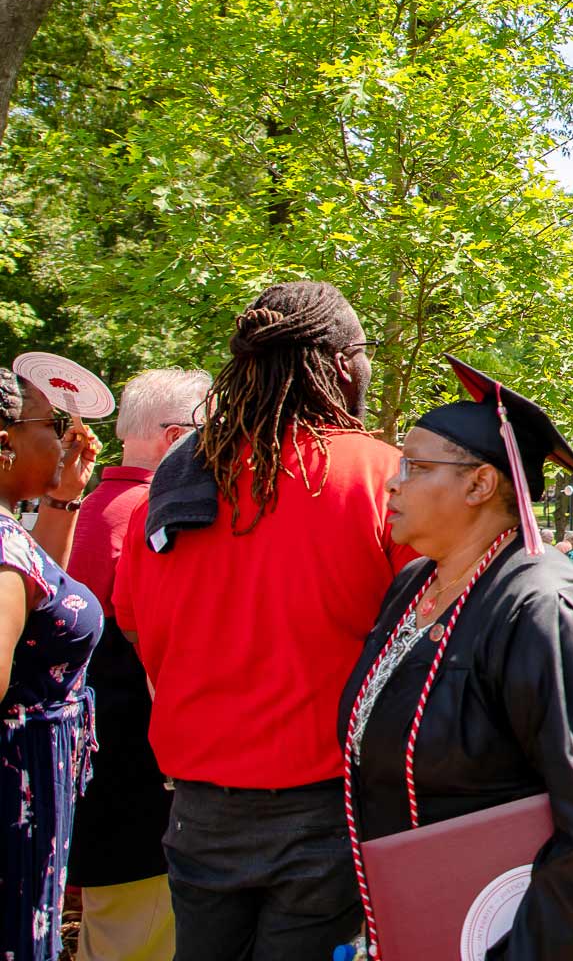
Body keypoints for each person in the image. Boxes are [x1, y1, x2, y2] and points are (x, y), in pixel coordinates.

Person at [339, 355, 573, 957]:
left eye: (416, 467)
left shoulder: (551, 611)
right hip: (440, 920)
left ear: (480, 484)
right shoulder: (414, 586)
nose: (392, 483)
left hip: (545, 934)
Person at [112, 282, 411, 959]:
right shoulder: (386, 480)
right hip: (325, 809)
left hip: (198, 810)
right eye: (364, 355)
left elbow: (134, 627)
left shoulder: (171, 484)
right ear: (342, 365)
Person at [67, 368, 208, 961]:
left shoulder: (87, 508)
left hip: (95, 780)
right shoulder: (154, 518)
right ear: (175, 437)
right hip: (137, 782)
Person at [2, 365, 104, 960]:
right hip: (14, 797)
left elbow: (44, 593)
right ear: (6, 440)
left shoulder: (12, 537)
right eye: (51, 424)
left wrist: (64, 495)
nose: (66, 435)